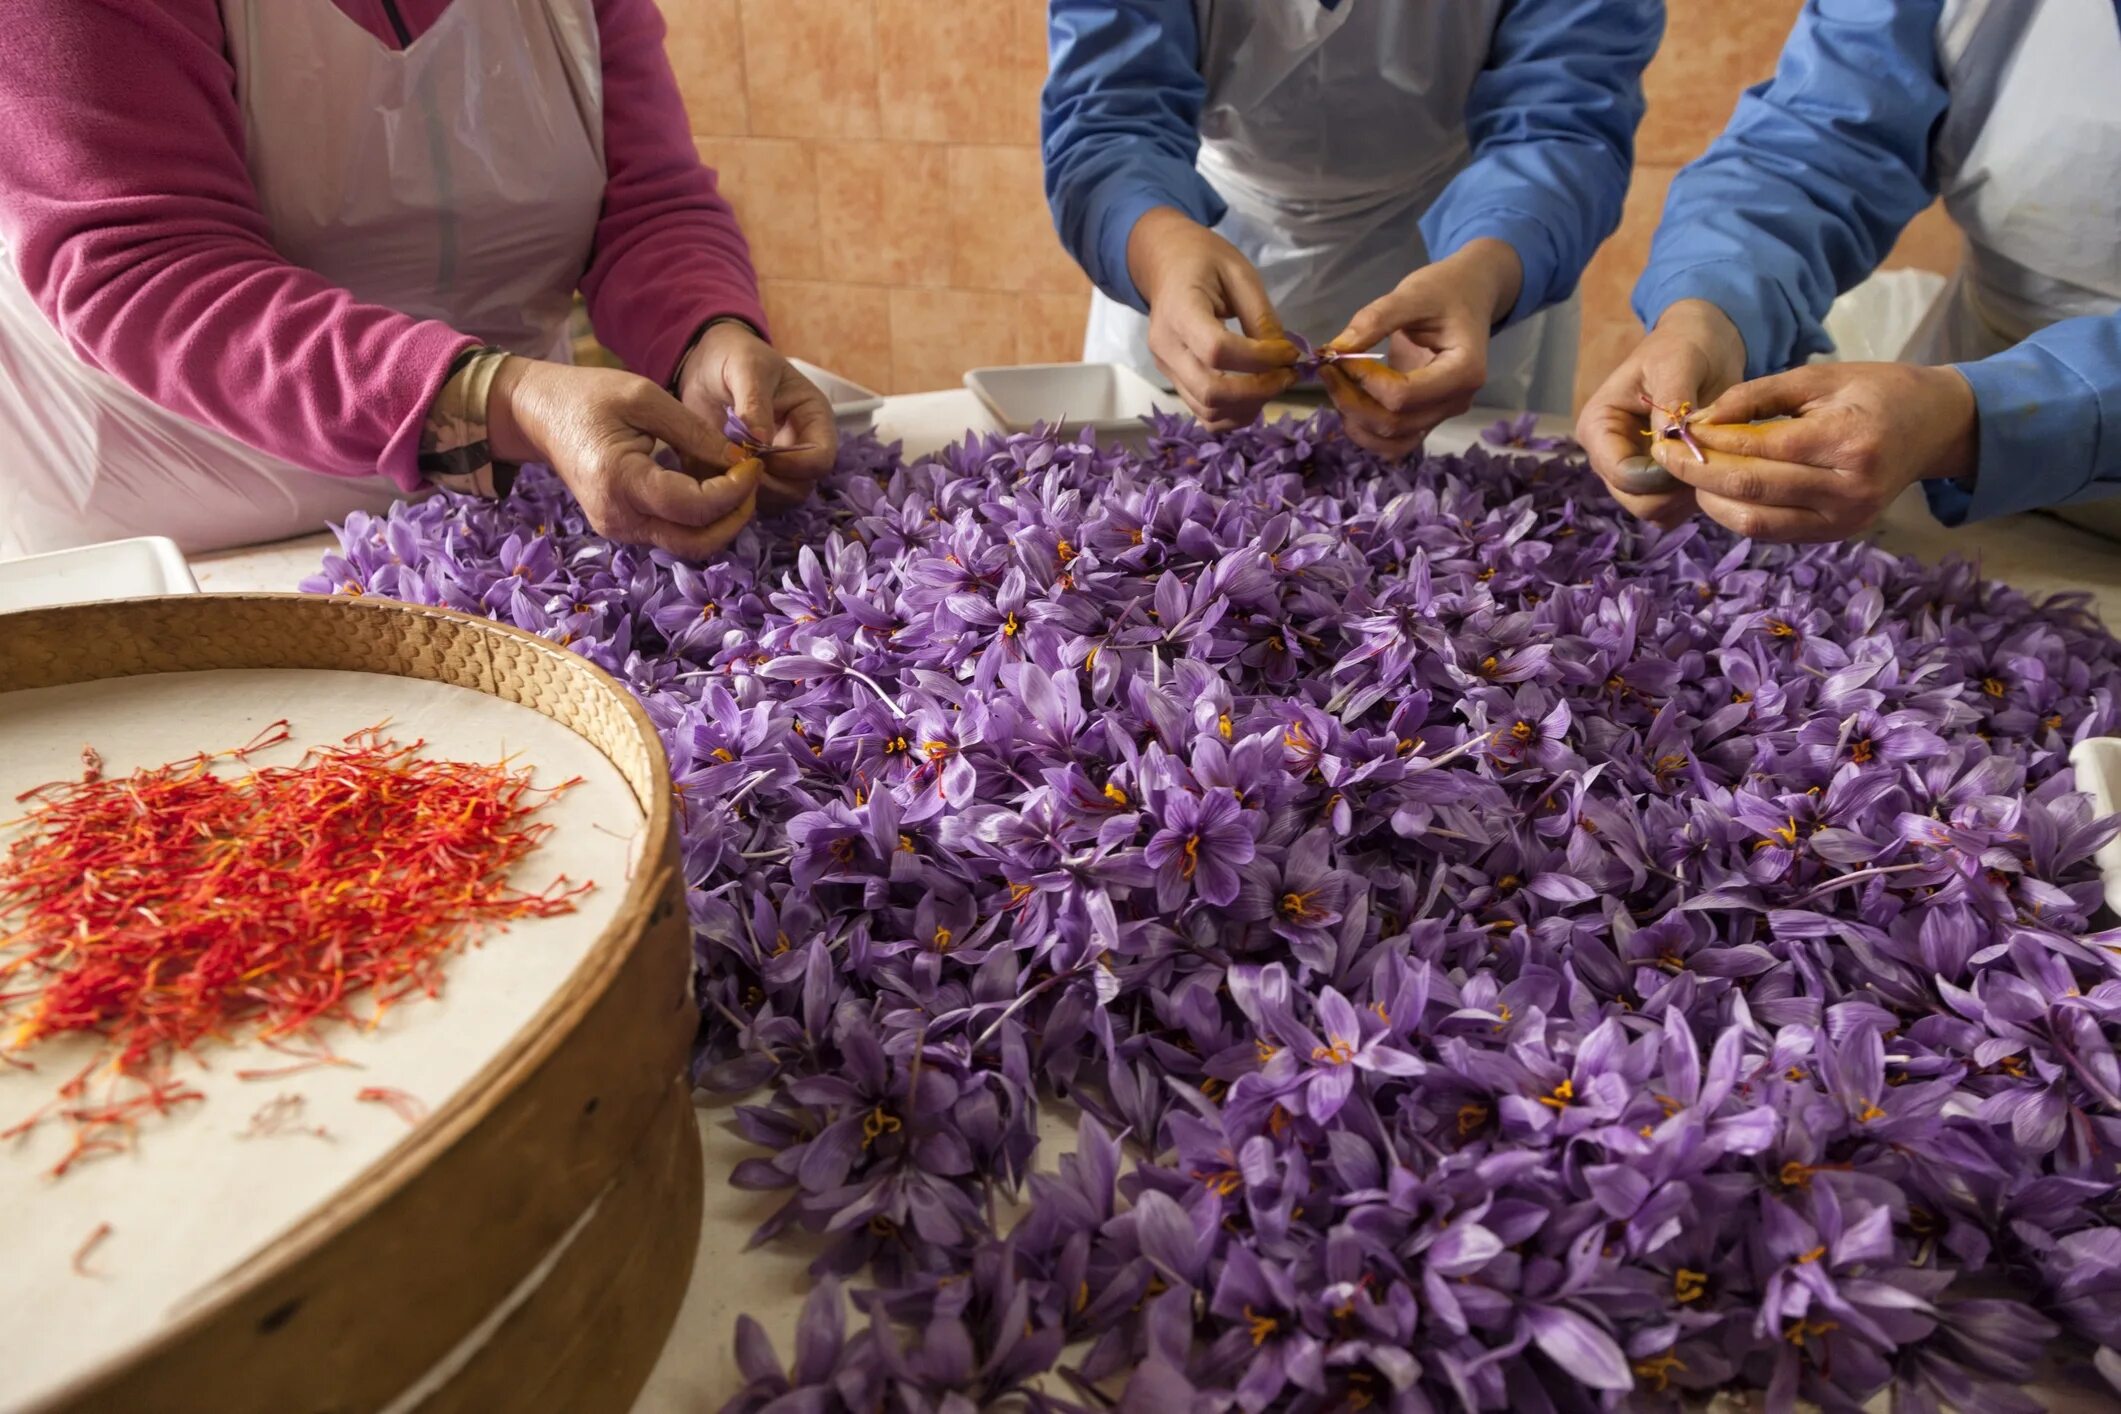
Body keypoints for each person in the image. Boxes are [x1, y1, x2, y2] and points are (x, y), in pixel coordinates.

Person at [0, 0, 836, 559]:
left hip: (497, 512)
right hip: (182, 538)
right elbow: (149, 265)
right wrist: (504, 401)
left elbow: (645, 198)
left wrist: (705, 335)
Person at [1579, 0, 2121, 543]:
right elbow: (1820, 135)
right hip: (1954, 445)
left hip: (1974, 423)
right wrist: (1709, 310)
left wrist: (1977, 420)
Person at [1041, 0, 1662, 458]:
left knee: (1467, 512)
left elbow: (1562, 121)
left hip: (1474, 241)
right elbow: (1109, 111)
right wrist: (1158, 247)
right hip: (1186, 230)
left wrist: (1487, 270)